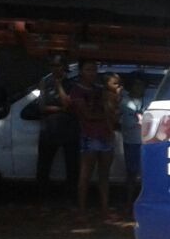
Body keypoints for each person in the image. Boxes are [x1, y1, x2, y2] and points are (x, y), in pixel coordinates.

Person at [59, 59, 116, 217]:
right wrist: (107, 115)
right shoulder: (77, 91)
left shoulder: (100, 89)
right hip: (89, 136)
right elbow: (88, 115)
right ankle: (82, 210)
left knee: (104, 175)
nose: (92, 73)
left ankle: (105, 208)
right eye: (88, 70)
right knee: (85, 176)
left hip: (105, 135)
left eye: (94, 70)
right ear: (81, 71)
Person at [36, 56, 79, 199]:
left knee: (72, 167)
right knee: (43, 165)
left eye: (58, 65)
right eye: (52, 65)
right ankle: (42, 196)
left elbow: (68, 105)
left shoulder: (72, 83)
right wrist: (60, 109)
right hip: (49, 129)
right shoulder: (44, 81)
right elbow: (42, 107)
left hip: (69, 129)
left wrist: (59, 85)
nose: (55, 68)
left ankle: (71, 197)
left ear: (65, 66)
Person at [119, 72, 146, 207]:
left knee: (146, 174)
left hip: (147, 143)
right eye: (137, 84)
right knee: (131, 174)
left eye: (142, 84)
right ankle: (129, 203)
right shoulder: (125, 102)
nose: (140, 87)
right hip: (132, 142)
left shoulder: (150, 99)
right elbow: (129, 124)